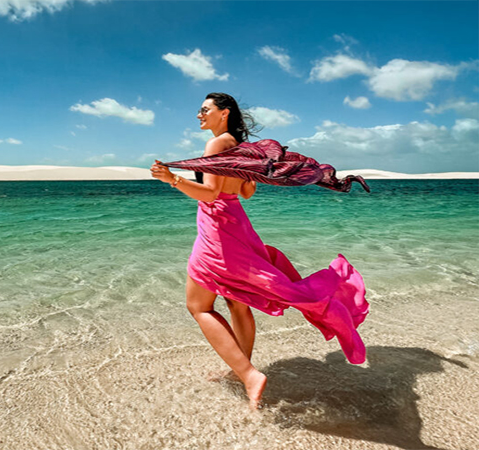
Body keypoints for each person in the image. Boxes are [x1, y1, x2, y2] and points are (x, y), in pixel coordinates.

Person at [150, 93, 368, 410]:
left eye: (204, 110)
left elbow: (210, 194)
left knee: (198, 306)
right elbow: (247, 192)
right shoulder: (241, 150)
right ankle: (242, 370)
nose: (199, 115)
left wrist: (172, 179)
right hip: (237, 224)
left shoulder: (216, 146)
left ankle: (249, 374)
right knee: (236, 304)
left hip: (217, 229)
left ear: (223, 114)